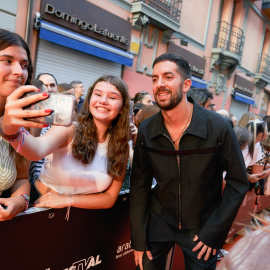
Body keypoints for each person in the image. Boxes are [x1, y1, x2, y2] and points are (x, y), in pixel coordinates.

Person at [129, 53, 249, 270]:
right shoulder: (147, 129)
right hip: (159, 220)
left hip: (202, 225)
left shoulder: (218, 127)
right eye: (155, 79)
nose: (160, 84)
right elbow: (139, 185)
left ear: (186, 85)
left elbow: (238, 182)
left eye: (168, 77)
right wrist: (138, 238)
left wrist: (215, 230)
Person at [1, 75, 130, 212]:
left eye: (112, 97)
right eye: (98, 94)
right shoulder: (70, 129)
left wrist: (68, 199)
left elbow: (109, 197)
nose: (103, 101)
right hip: (41, 206)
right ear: (90, 99)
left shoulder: (121, 145)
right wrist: (12, 131)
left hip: (81, 212)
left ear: (122, 107)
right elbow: (36, 150)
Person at [0, 28, 32, 220]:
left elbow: (21, 178)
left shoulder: (22, 121)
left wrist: (19, 200)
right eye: (7, 61)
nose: (19, 71)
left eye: (25, 65)